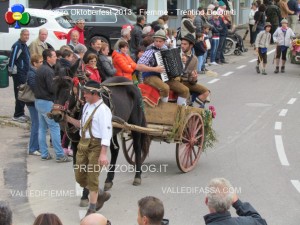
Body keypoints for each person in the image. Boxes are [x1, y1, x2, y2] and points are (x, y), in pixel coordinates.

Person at [65, 80, 112, 217]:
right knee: (79, 177)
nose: (83, 95)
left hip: (96, 146)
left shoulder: (104, 110)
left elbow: (106, 133)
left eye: (86, 93)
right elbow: (82, 125)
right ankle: (101, 193)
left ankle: (92, 208)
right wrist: (67, 118)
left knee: (92, 177)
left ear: (95, 94)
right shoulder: (86, 106)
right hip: (83, 144)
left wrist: (103, 154)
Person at [34, 49, 71, 162]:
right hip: (47, 102)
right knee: (54, 127)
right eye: (54, 56)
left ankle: (44, 154)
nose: (56, 58)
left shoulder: (40, 69)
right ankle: (60, 155)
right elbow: (52, 88)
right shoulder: (49, 71)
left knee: (42, 128)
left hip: (38, 101)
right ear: (48, 58)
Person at [138, 30, 189, 105]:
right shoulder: (150, 50)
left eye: (160, 41)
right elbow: (139, 65)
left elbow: (176, 65)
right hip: (149, 76)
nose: (158, 43)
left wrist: (182, 61)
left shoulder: (167, 49)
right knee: (165, 88)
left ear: (164, 41)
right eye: (156, 41)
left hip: (164, 76)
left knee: (185, 90)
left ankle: (179, 111)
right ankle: (163, 109)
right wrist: (154, 69)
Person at [180, 34, 210, 108]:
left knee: (206, 92)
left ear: (191, 46)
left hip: (187, 82)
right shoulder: (177, 53)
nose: (182, 46)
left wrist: (194, 78)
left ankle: (194, 108)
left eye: (185, 44)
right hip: (177, 81)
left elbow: (192, 82)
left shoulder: (194, 59)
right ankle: (186, 106)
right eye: (181, 43)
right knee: (185, 90)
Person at [8, 29, 31, 123]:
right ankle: (17, 115)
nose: (26, 36)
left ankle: (21, 113)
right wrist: (10, 70)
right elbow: (13, 58)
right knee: (19, 94)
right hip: (18, 74)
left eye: (28, 35)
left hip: (24, 73)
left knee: (22, 94)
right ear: (21, 35)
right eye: (25, 35)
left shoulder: (24, 45)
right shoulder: (17, 45)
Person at [26, 54, 43, 156]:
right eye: (40, 62)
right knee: (36, 124)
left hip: (35, 101)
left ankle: (36, 146)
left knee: (38, 124)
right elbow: (35, 88)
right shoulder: (32, 74)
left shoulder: (36, 72)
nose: (42, 64)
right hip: (32, 102)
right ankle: (33, 148)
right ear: (34, 63)